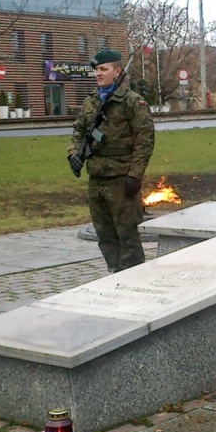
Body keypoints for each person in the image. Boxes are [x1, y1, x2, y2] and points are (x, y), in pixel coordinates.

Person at [67, 49, 155, 273]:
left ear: (117, 72)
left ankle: (133, 277)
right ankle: (114, 274)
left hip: (121, 179)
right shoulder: (91, 102)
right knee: (104, 234)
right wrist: (73, 154)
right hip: (96, 178)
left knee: (127, 234)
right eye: (96, 70)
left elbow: (144, 141)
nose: (98, 74)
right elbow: (78, 131)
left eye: (103, 69)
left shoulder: (132, 102)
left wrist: (135, 176)